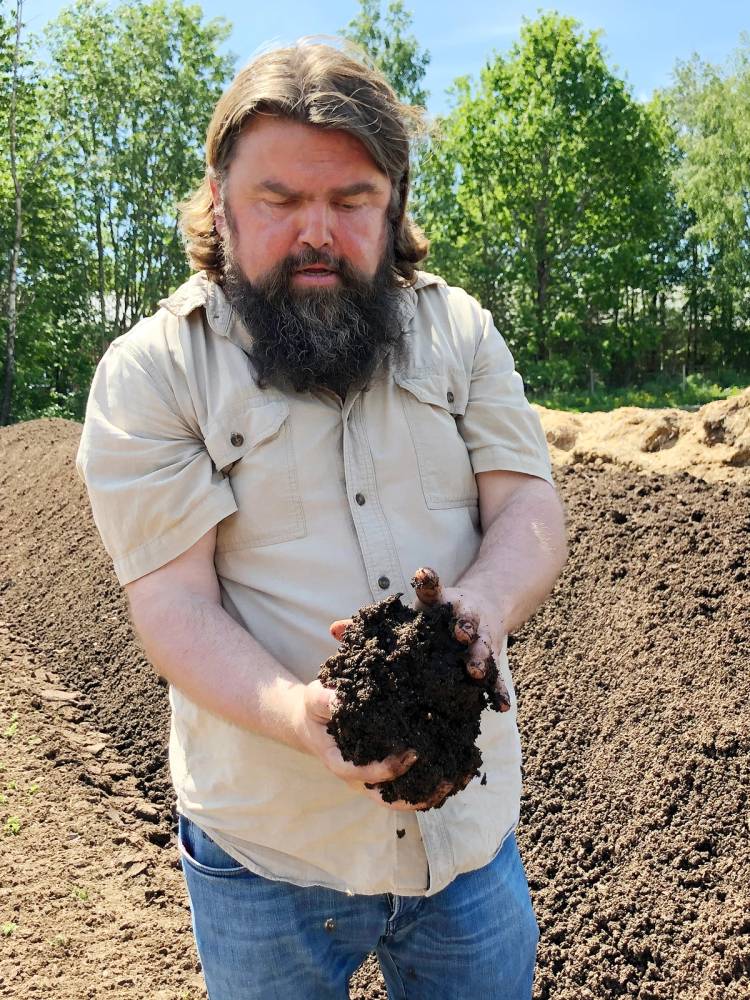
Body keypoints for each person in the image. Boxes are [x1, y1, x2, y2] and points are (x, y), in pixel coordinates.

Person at [76, 41, 567, 1000]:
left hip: (466, 840)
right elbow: (173, 603)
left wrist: (484, 604)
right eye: (279, 199)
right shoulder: (154, 373)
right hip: (270, 855)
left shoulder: (459, 332)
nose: (316, 232)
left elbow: (529, 504)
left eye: (350, 201)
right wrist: (300, 719)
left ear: (393, 204)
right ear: (220, 200)